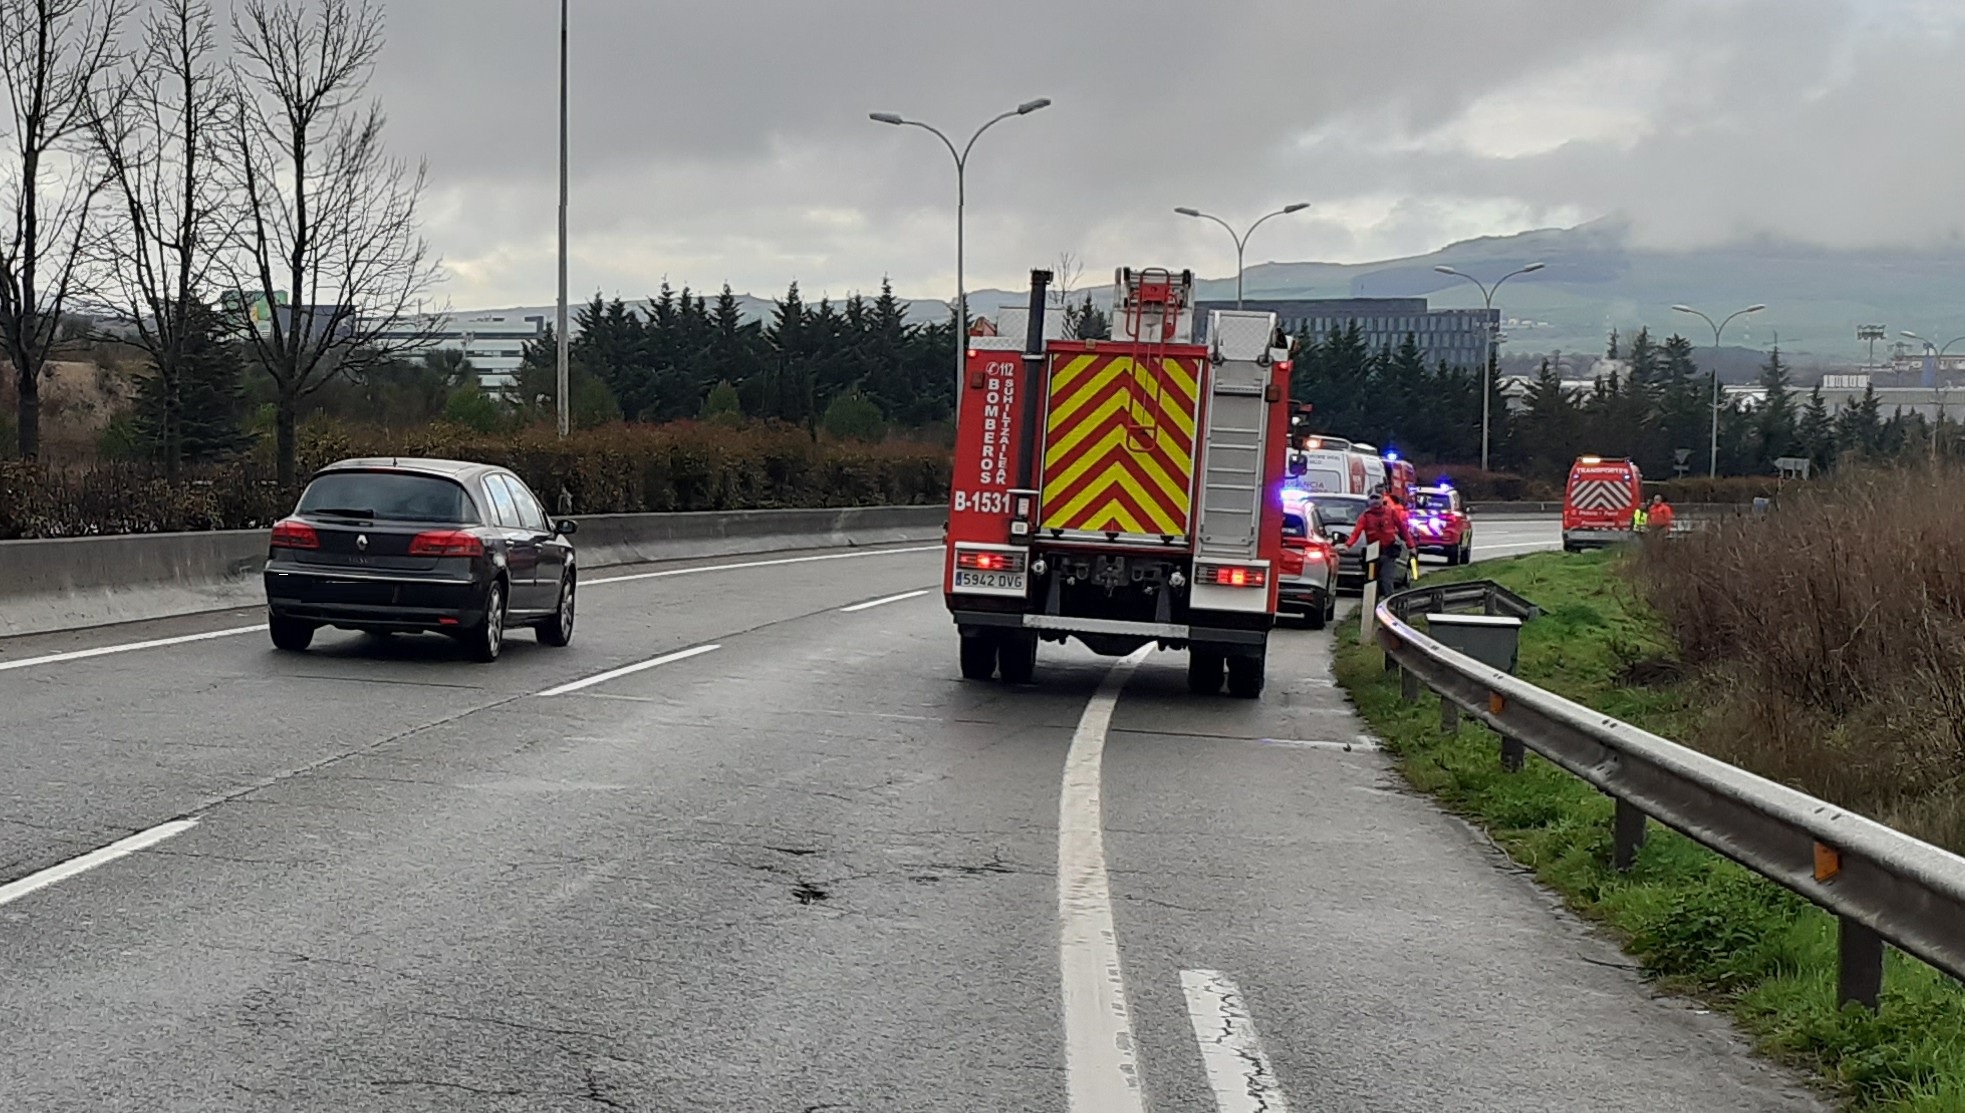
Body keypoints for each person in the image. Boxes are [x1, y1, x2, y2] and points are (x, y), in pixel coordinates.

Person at [1345, 492, 1416, 594]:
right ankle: (1370, 603)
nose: (1375, 501)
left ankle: (1388, 604)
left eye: (1377, 498)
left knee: (1386, 579)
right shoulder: (1365, 516)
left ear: (1382, 500)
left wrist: (1411, 545)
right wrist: (1348, 545)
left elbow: (1402, 529)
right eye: (1372, 498)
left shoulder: (1390, 513)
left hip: (1388, 552)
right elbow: (1356, 533)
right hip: (1372, 554)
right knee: (1371, 580)